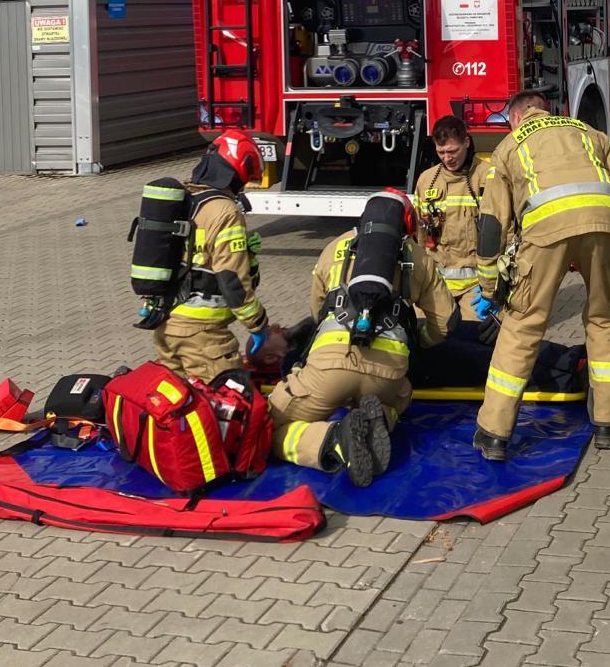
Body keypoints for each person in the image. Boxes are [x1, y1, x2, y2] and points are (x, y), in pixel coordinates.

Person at [472, 91, 610, 460]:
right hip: (606, 226)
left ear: (516, 117)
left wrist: (489, 286)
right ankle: (609, 422)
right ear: (546, 110)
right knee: (606, 319)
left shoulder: (509, 146)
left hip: (545, 232)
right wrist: (597, 237)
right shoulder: (589, 132)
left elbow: (491, 225)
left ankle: (494, 434)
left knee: (522, 326)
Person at [268, 189, 456, 486]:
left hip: (329, 369)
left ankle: (332, 441)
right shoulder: (417, 256)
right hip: (388, 377)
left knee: (266, 428)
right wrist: (419, 339)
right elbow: (446, 321)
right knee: (393, 403)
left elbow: (318, 311)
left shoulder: (335, 246)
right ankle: (379, 418)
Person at [154, 129, 282, 382]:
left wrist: (247, 254)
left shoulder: (188, 199)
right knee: (228, 400)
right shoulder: (225, 210)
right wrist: (257, 324)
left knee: (184, 402)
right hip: (202, 335)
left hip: (166, 326)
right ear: (239, 171)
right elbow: (231, 277)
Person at [414, 115, 488, 317]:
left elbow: (504, 231)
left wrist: (492, 286)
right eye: (441, 152)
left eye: (453, 151)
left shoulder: (487, 176)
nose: (447, 158)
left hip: (476, 286)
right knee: (421, 328)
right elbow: (419, 236)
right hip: (435, 283)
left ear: (467, 142)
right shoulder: (426, 180)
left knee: (475, 332)